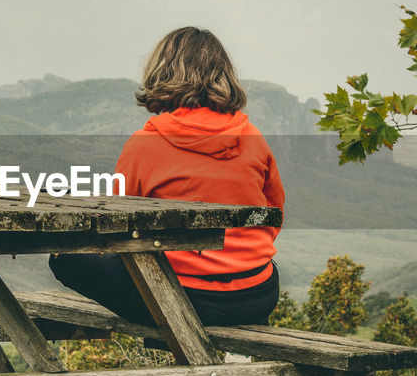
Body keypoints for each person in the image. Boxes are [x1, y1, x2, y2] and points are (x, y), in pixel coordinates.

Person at [49, 26, 282, 327]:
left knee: (65, 257)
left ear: (163, 71)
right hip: (256, 295)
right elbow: (274, 214)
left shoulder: (145, 143)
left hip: (183, 299)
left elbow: (116, 228)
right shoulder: (253, 137)